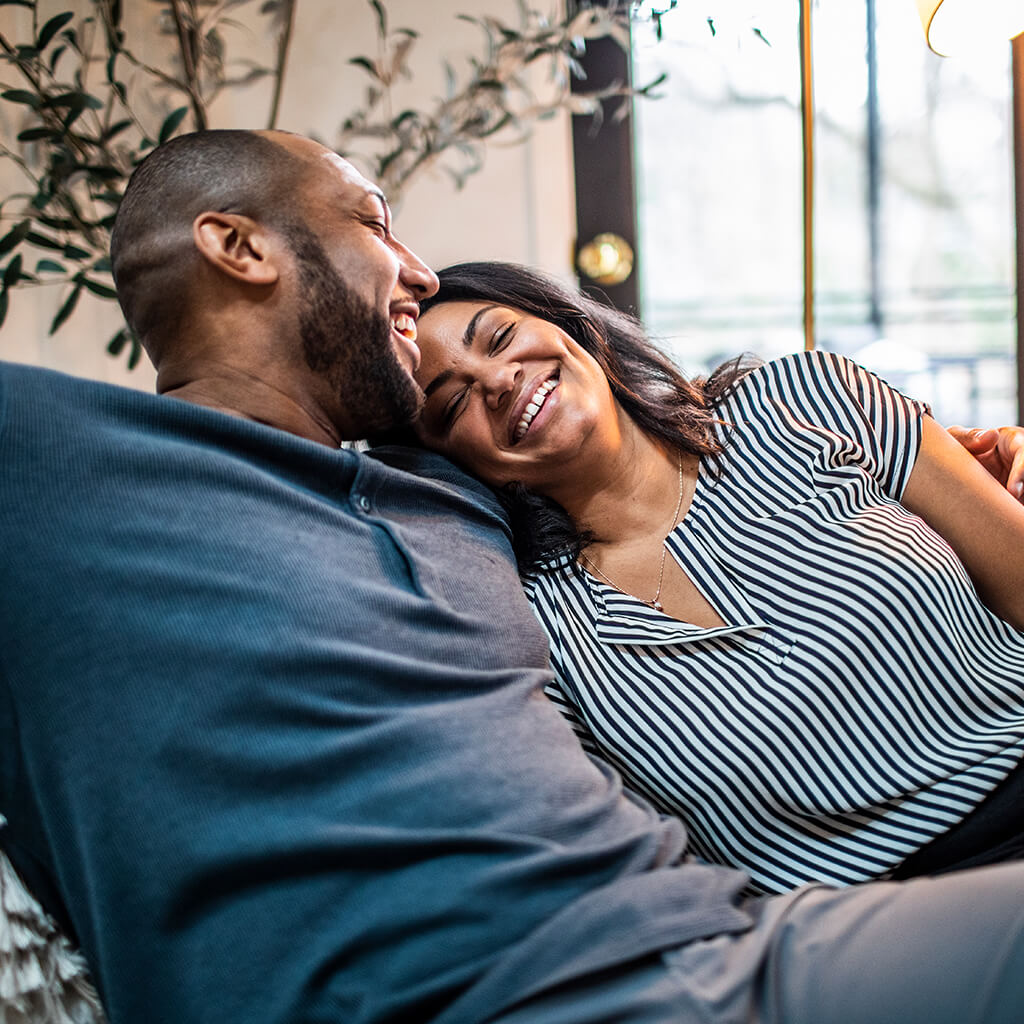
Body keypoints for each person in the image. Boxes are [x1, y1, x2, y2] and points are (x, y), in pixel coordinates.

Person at [2, 130, 1024, 1024]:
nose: (412, 270)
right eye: (375, 220)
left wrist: (975, 459)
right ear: (237, 245)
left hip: (715, 936)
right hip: (682, 952)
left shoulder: (436, 505)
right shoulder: (58, 462)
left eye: (493, 334)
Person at [409, 260, 1024, 895]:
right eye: (454, 402)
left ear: (568, 326)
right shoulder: (541, 629)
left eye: (501, 337)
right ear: (457, 462)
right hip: (861, 931)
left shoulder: (804, 399)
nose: (498, 380)